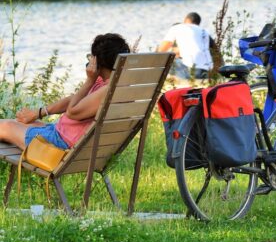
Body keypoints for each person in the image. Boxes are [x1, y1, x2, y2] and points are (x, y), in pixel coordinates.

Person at [0, 33, 130, 150]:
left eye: (91, 57)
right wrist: (38, 113)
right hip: (62, 133)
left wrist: (89, 81)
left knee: (5, 127)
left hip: (60, 144)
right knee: (16, 122)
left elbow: (72, 111)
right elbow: (74, 100)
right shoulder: (111, 83)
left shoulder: (107, 90)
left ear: (97, 61)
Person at [157, 12, 217, 80]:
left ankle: (169, 83)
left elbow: (160, 51)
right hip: (207, 70)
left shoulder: (176, 28)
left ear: (185, 20)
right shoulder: (203, 31)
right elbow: (216, 53)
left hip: (191, 70)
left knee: (167, 60)